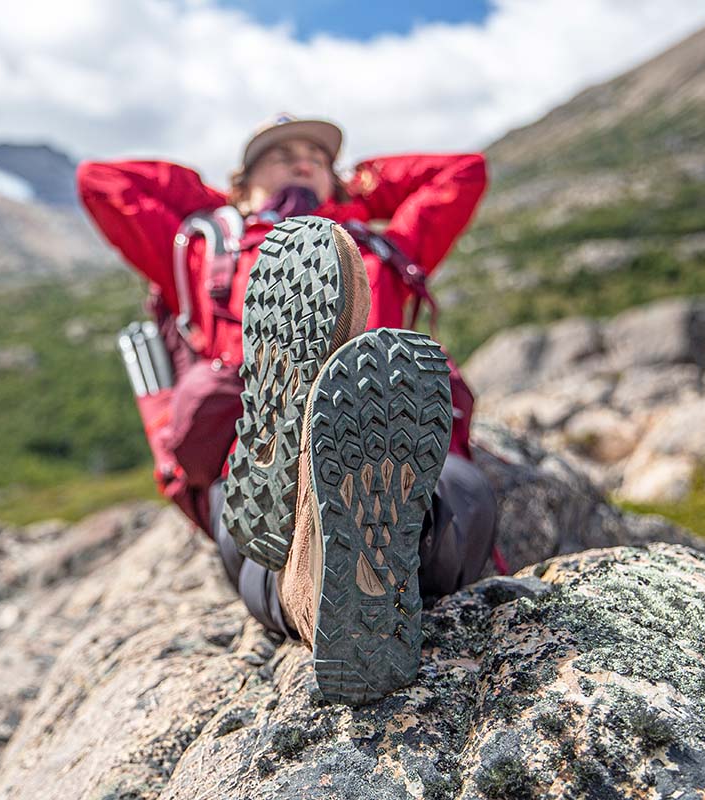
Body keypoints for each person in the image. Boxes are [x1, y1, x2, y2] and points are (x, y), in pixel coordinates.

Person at [77, 114, 497, 705]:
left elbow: (464, 172)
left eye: (315, 157)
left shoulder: (382, 244)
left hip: (390, 437)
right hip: (254, 447)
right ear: (243, 183)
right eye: (280, 155)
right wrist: (232, 199)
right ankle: (331, 574)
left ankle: (353, 570)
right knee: (252, 518)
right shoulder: (203, 248)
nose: (302, 161)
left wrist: (356, 188)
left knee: (459, 494)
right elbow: (101, 181)